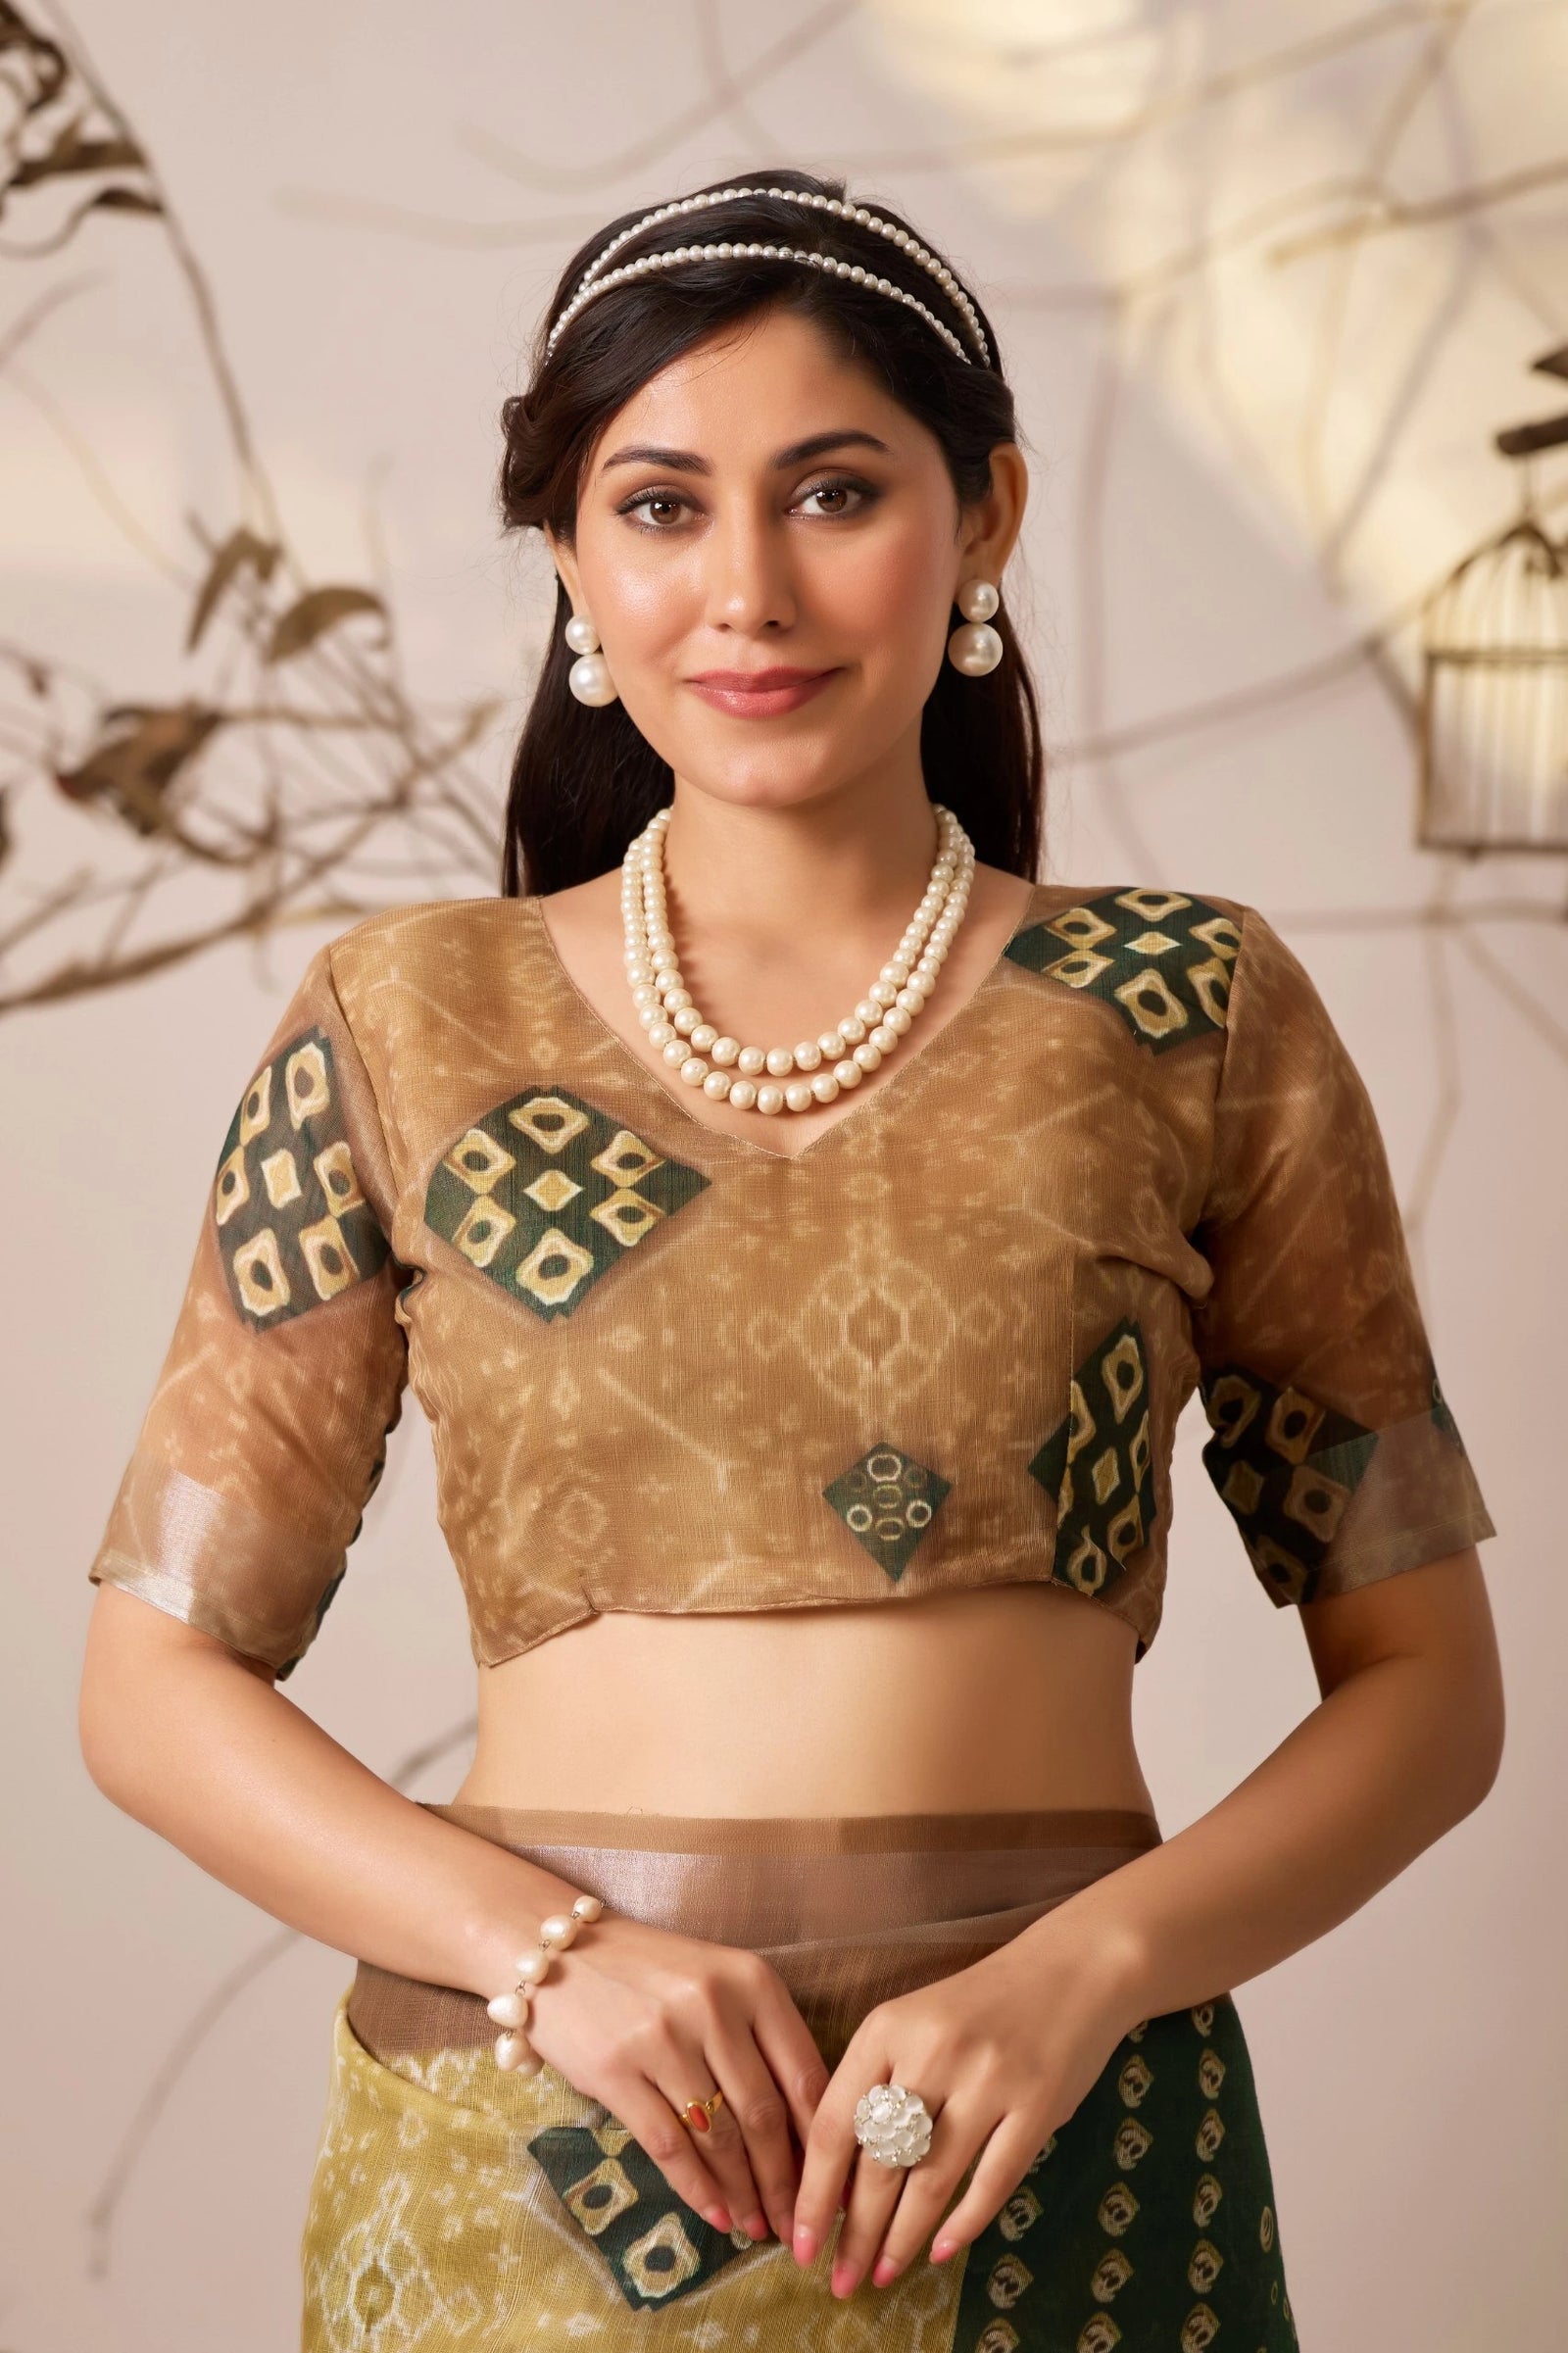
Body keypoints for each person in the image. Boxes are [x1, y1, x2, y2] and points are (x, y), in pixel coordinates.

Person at [78, 169, 1503, 2350]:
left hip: (1068, 2170)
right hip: (529, 2172)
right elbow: (152, 1690)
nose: (744, 588)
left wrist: (1079, 1972)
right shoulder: (402, 1017)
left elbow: (1424, 1693)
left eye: (833, 489)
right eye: (657, 506)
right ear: (568, 553)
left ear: (985, 515)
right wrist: (555, 1959)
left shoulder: (1186, 1011)